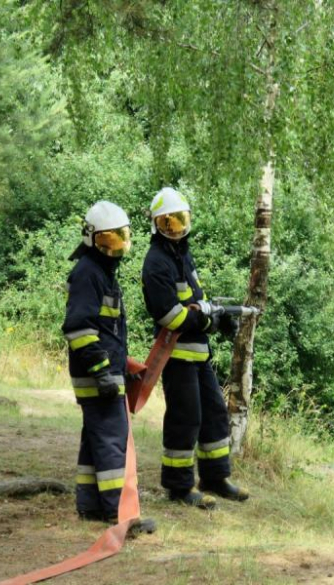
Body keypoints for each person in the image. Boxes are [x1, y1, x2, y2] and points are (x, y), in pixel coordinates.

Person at [141, 187, 250, 509]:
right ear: (156, 225)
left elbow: (195, 300)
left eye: (180, 220)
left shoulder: (182, 255)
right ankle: (178, 487)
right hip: (175, 356)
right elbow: (167, 313)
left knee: (214, 415)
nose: (175, 228)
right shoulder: (156, 262)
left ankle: (216, 478)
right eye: (167, 223)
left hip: (199, 354)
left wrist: (216, 315)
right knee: (185, 418)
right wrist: (206, 322)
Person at [62, 200, 155, 533]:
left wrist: (121, 364)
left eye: (121, 238)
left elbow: (105, 331)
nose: (116, 247)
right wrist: (103, 369)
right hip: (96, 376)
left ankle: (90, 505)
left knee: (96, 438)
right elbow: (79, 328)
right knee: (113, 440)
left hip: (103, 372)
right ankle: (122, 516)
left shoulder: (100, 271)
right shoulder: (89, 272)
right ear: (92, 239)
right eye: (109, 240)